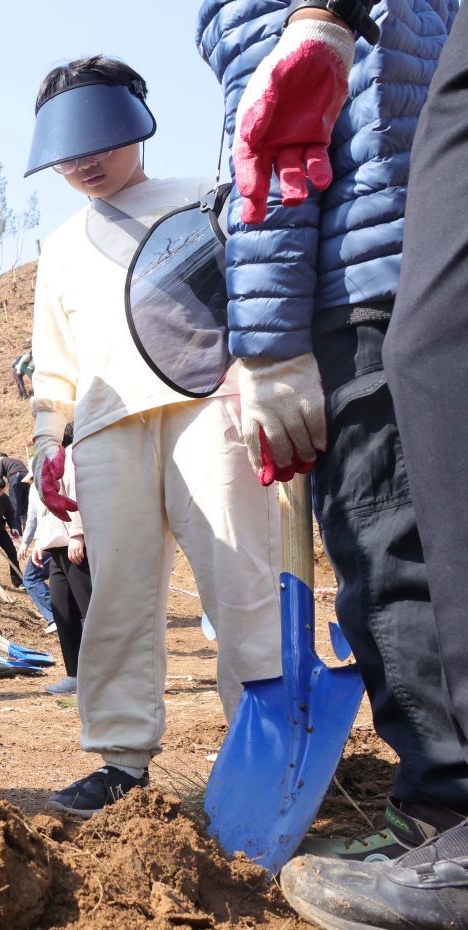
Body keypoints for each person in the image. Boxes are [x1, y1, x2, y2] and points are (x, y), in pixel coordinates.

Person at [198, 0, 468, 877]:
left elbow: (272, 147)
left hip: (363, 285)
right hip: (440, 255)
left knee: (390, 549)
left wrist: (270, 344)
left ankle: (443, 803)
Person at [25, 55, 282, 818]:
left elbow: (255, 297)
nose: (85, 160)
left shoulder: (202, 200)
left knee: (240, 582)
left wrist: (259, 373)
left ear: (134, 121)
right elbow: (54, 363)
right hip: (105, 431)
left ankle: (265, 754)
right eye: (68, 150)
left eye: (98, 138)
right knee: (118, 603)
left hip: (211, 407)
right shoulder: (63, 246)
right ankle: (120, 762)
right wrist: (48, 442)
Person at [29, 428, 89, 696]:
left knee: (90, 612)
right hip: (55, 548)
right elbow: (41, 510)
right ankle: (75, 675)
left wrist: (78, 534)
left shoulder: (73, 456)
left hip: (74, 546)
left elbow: (76, 496)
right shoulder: (46, 462)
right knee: (62, 610)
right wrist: (39, 543)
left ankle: (104, 673)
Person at [16, 478, 57, 628]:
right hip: (70, 538)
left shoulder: (35, 487)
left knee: (31, 579)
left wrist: (25, 543)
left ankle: (54, 615)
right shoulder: (61, 477)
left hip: (49, 540)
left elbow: (32, 518)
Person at [0, 451, 30, 529]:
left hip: (16, 479)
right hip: (27, 480)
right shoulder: (16, 461)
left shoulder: (1, 461)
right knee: (25, 507)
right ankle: (28, 531)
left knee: (14, 507)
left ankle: (17, 532)